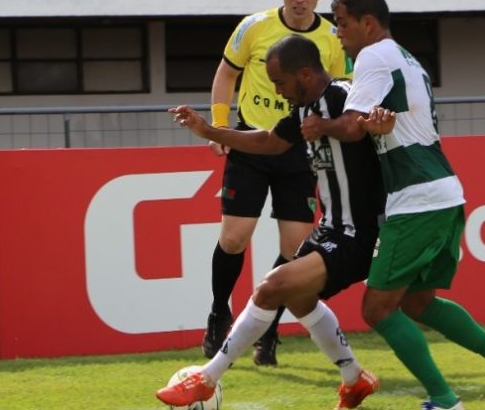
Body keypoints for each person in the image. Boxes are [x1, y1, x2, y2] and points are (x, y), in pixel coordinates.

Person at [301, 0, 485, 410]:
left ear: (367, 23)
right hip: (443, 191)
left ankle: (445, 401)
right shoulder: (408, 58)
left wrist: (322, 126)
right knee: (416, 301)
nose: (337, 33)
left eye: (341, 23)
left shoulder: (373, 56)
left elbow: (353, 127)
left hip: (416, 198)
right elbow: (380, 123)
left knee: (376, 309)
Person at [158, 34, 383, 409]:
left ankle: (206, 378)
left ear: (306, 74)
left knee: (271, 286)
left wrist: (329, 127)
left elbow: (361, 125)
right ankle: (354, 379)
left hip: (361, 232)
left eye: (281, 82)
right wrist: (209, 131)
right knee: (297, 298)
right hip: (332, 228)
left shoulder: (344, 97)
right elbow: (267, 141)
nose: (278, 92)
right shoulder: (302, 111)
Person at [202, 0, 350, 367]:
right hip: (252, 143)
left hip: (301, 153)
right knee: (234, 237)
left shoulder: (334, 39)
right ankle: (219, 313)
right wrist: (218, 124)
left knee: (294, 249)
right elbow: (225, 74)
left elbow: (344, 92)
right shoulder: (253, 27)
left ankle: (267, 328)